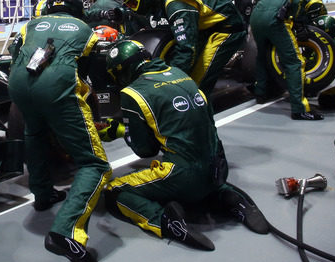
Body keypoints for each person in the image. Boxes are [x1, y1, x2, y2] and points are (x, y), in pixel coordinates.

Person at [102, 41, 268, 250]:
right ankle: (229, 197)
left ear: (121, 70)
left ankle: (165, 222)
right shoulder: (180, 73)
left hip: (184, 177)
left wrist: (119, 131)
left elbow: (146, 150)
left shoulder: (133, 93)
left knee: (113, 191)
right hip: (217, 168)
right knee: (197, 173)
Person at [7, 0, 111, 262]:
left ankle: (42, 195)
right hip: (56, 86)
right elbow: (93, 68)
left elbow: (16, 54)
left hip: (19, 84)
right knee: (95, 163)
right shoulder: (85, 28)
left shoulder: (31, 25)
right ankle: (66, 230)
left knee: (35, 133)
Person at [118, 0, 247, 96]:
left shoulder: (176, 4)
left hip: (227, 28)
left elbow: (186, 49)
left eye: (133, 3)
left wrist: (170, 79)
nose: (132, 8)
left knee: (195, 84)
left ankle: (198, 111)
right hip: (208, 26)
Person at [248, 0, 321, 120]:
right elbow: (300, 0)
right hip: (275, 20)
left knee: (262, 56)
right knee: (294, 62)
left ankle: (261, 93)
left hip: (256, 19)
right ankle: (299, 109)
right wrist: (299, 25)